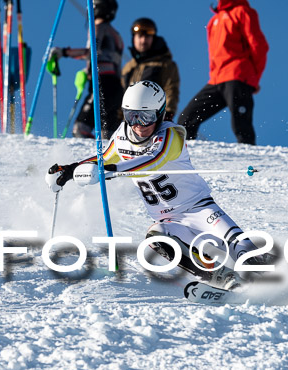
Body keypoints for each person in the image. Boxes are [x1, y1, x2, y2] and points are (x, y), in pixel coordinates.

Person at [45, 80, 267, 290]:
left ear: (160, 114)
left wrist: (111, 171)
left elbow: (152, 160)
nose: (138, 125)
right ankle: (222, 277)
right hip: (169, 220)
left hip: (200, 208)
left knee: (242, 249)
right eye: (132, 116)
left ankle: (283, 275)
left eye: (146, 117)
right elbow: (104, 158)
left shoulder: (171, 135)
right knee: (156, 237)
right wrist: (70, 170)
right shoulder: (122, 135)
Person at [177, 0, 268, 144]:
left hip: (238, 75)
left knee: (241, 126)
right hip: (216, 80)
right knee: (186, 119)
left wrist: (253, 79)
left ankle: (250, 162)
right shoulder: (214, 20)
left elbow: (259, 46)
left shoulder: (242, 12)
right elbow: (214, 56)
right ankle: (182, 159)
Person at [50, 0, 123, 139]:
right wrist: (88, 71)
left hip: (103, 82)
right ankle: (108, 156)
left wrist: (64, 52)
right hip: (116, 85)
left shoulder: (99, 26)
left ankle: (89, 155)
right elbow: (110, 59)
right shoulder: (115, 34)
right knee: (108, 134)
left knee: (80, 128)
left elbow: (92, 52)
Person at [121, 18, 180, 121]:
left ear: (153, 38)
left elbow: (171, 89)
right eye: (140, 36)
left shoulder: (164, 64)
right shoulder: (128, 68)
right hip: (129, 121)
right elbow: (121, 94)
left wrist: (168, 113)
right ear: (134, 38)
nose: (143, 41)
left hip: (152, 120)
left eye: (147, 37)